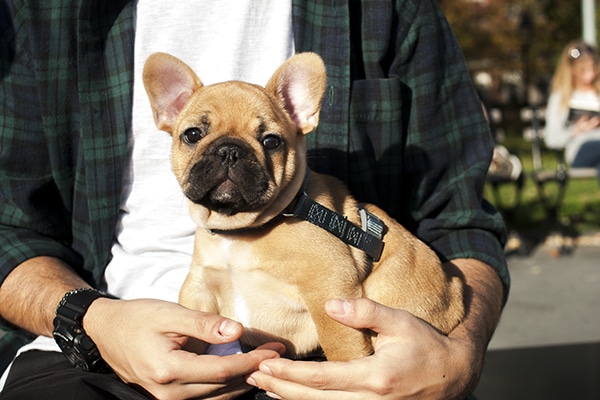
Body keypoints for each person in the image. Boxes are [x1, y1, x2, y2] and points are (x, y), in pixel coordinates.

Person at [0, 0, 509, 399]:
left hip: (364, 365)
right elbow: (10, 228)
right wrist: (94, 319)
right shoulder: (39, 14)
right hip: (106, 344)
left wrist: (457, 357)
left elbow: (462, 220)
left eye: (266, 143)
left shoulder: (391, 10)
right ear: (168, 112)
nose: (228, 159)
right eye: (197, 134)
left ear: (301, 116)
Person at [545, 40, 600, 178]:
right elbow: (552, 139)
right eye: (585, 70)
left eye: (594, 68)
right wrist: (577, 129)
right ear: (573, 71)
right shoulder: (561, 97)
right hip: (580, 149)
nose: (591, 74)